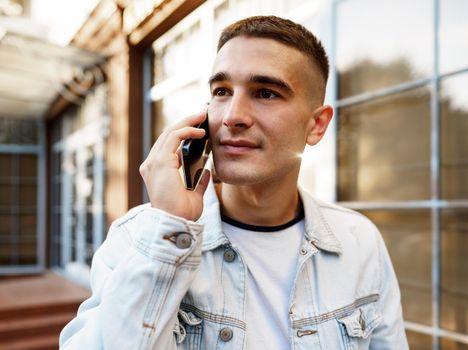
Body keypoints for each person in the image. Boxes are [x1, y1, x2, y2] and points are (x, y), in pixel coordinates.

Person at [59, 15, 409, 349]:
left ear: (316, 125)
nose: (232, 116)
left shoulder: (360, 243)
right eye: (222, 91)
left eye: (266, 93)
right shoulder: (141, 238)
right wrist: (170, 231)